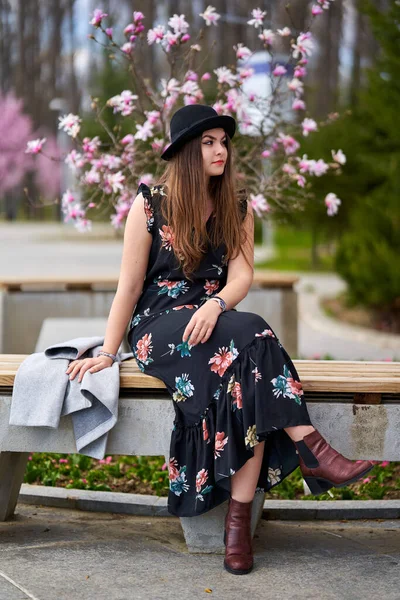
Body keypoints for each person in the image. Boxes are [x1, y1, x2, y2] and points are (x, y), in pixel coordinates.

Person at [66, 104, 374, 575]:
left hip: (217, 324)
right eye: (208, 142)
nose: (220, 150)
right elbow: (128, 286)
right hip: (162, 328)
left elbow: (241, 276)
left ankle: (238, 524)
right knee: (255, 334)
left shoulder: (239, 206)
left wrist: (214, 305)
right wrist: (109, 352)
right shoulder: (149, 203)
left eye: (223, 141)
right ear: (188, 151)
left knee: (248, 365)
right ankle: (312, 447)